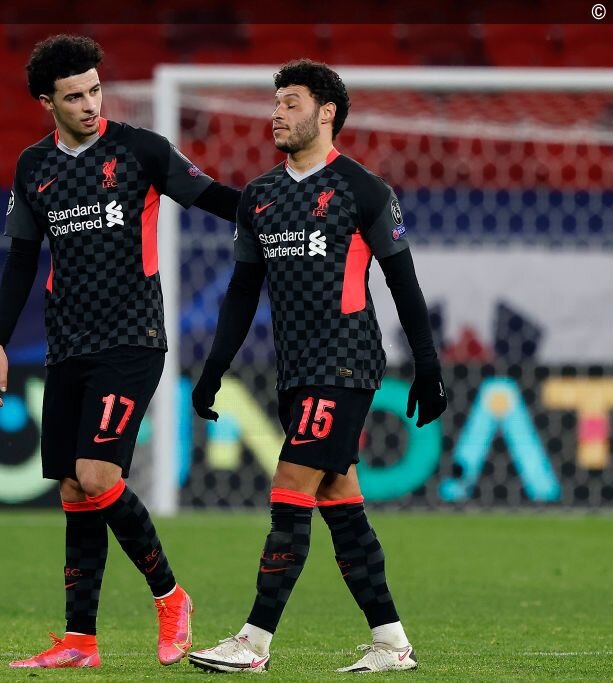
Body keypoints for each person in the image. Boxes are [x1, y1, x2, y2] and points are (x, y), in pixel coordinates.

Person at [0, 34, 240, 670]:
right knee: (73, 488)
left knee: (97, 475)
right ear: (47, 102)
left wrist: (282, 214)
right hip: (68, 342)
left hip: (132, 338)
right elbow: (21, 259)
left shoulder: (141, 150)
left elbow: (213, 198)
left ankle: (172, 598)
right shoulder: (33, 167)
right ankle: (79, 641)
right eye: (74, 96)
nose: (91, 104)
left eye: (95, 90)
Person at [187, 59, 447, 674]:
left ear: (326, 113)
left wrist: (428, 365)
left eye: (292, 102)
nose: (277, 113)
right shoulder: (260, 196)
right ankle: (391, 643)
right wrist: (214, 368)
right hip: (296, 369)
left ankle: (253, 642)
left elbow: (403, 283)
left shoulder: (364, 190)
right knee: (339, 500)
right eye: (276, 102)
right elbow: (241, 292)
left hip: (346, 362)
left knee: (290, 487)